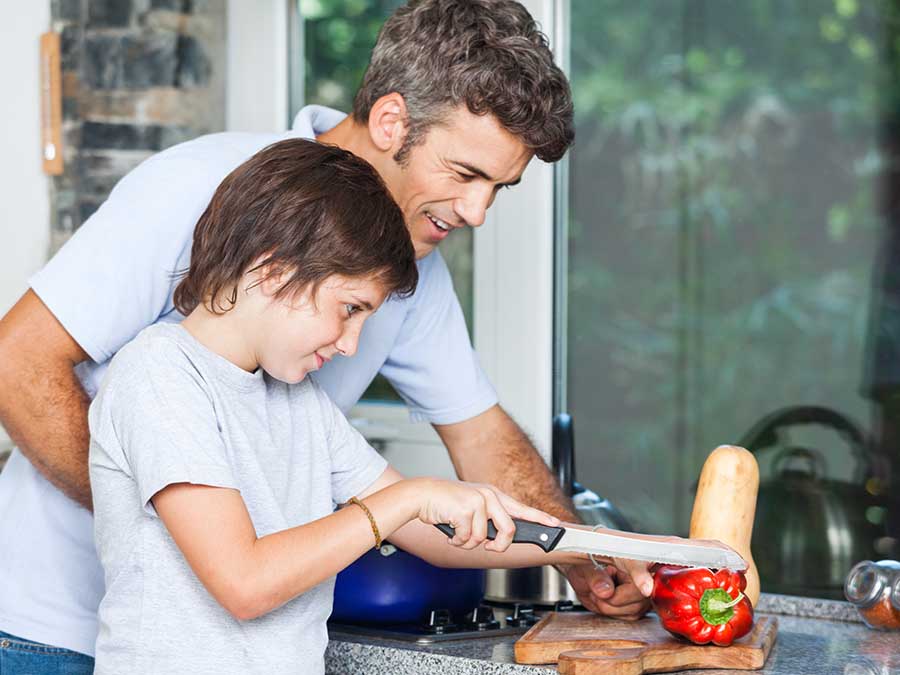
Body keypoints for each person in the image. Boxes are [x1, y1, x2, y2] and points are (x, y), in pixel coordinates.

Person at [0, 0, 645, 668]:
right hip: (52, 626)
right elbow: (15, 362)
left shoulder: (386, 294)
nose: (478, 212)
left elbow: (478, 439)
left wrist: (585, 550)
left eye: (500, 189)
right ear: (393, 120)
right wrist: (190, 527)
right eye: (466, 174)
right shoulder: (202, 192)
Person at [87, 137, 663, 674]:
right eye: (350, 308)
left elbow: (435, 537)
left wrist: (600, 547)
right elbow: (245, 582)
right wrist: (408, 497)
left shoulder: (297, 401)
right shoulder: (160, 375)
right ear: (272, 272)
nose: (350, 344)